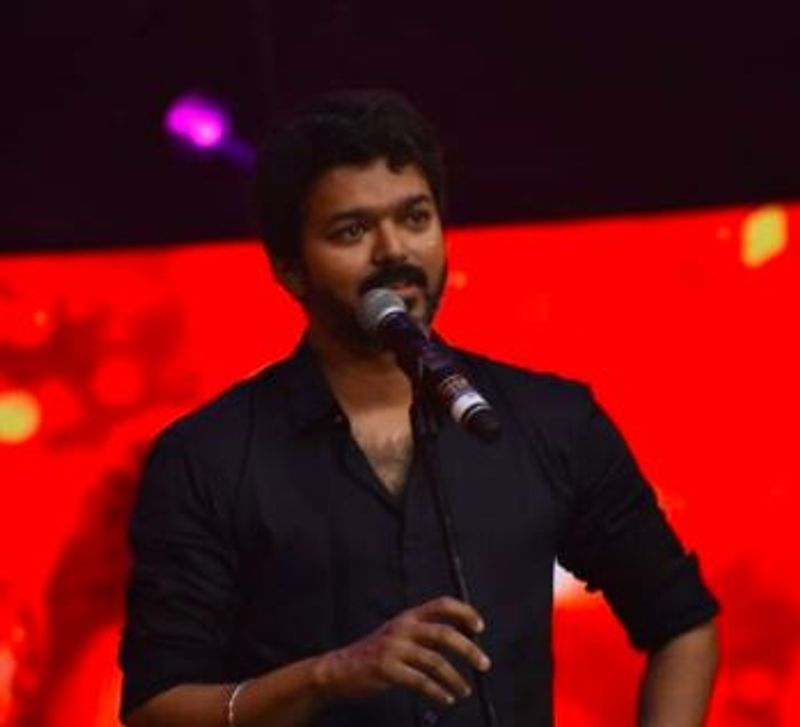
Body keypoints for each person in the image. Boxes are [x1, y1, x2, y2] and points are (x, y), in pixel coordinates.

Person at [119, 90, 720, 727]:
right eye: (352, 231)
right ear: (290, 269)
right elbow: (157, 711)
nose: (394, 251)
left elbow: (683, 625)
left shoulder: (552, 421)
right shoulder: (206, 457)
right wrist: (329, 675)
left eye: (415, 218)